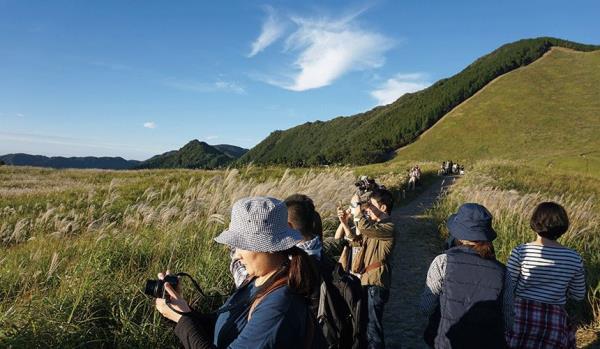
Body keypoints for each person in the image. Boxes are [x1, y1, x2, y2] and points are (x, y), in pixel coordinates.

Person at [154, 196, 322, 349]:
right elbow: (221, 327)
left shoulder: (280, 304)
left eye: (242, 245)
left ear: (269, 247)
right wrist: (181, 310)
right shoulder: (257, 280)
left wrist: (182, 320)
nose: (236, 255)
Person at [421, 203, 510, 349]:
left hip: (447, 341)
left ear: (458, 235)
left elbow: (426, 308)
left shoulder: (442, 261)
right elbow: (508, 321)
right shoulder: (503, 271)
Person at [505, 202, 586, 349]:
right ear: (563, 226)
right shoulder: (574, 258)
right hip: (554, 319)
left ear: (535, 222)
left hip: (520, 316)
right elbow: (579, 294)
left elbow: (508, 286)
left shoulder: (520, 251)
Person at [339, 188, 395, 349]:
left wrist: (356, 205)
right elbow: (356, 241)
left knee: (373, 328)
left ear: (383, 208)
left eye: (372, 204)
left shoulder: (388, 227)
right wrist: (345, 223)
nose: (368, 207)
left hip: (376, 282)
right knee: (365, 324)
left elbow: (363, 228)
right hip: (367, 280)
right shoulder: (376, 227)